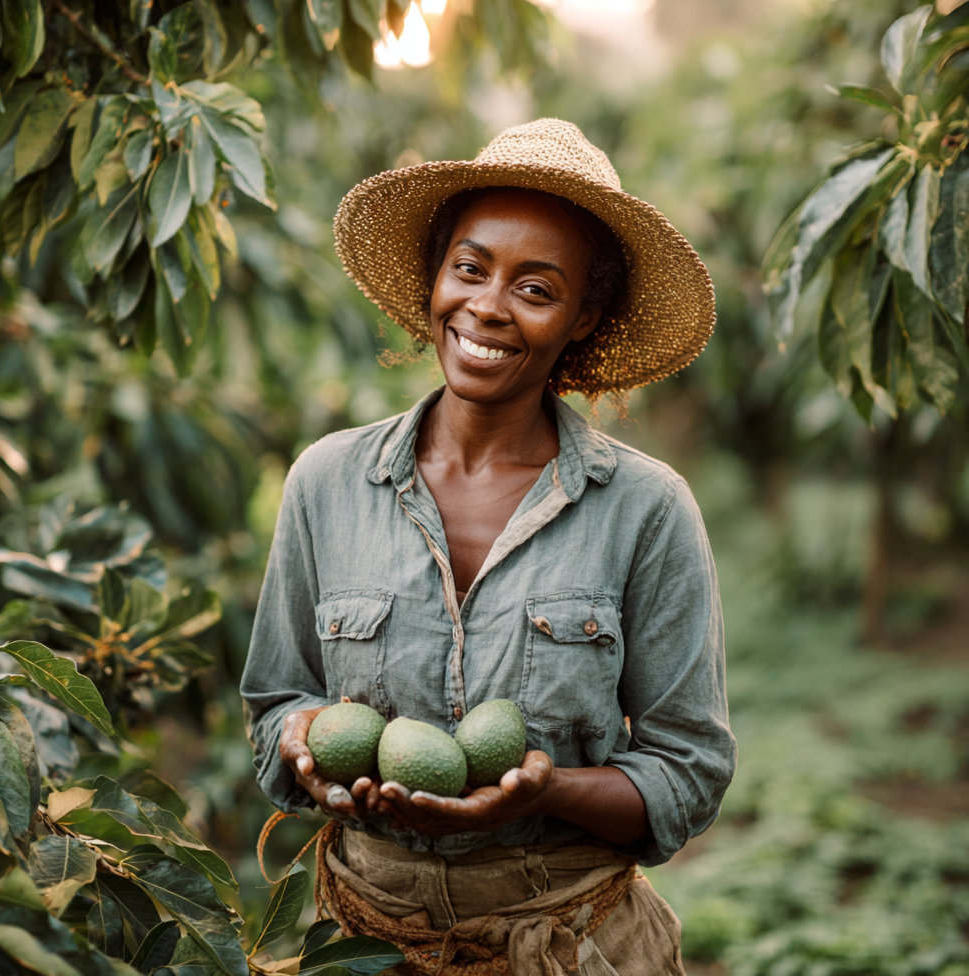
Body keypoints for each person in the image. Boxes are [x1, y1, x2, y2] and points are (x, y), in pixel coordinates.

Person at [241, 119, 736, 976]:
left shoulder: (647, 509)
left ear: (583, 320)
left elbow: (687, 772)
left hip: (572, 940)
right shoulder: (325, 482)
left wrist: (540, 796)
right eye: (469, 268)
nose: (487, 307)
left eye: (536, 289)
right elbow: (276, 704)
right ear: (437, 277)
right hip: (363, 940)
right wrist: (306, 742)